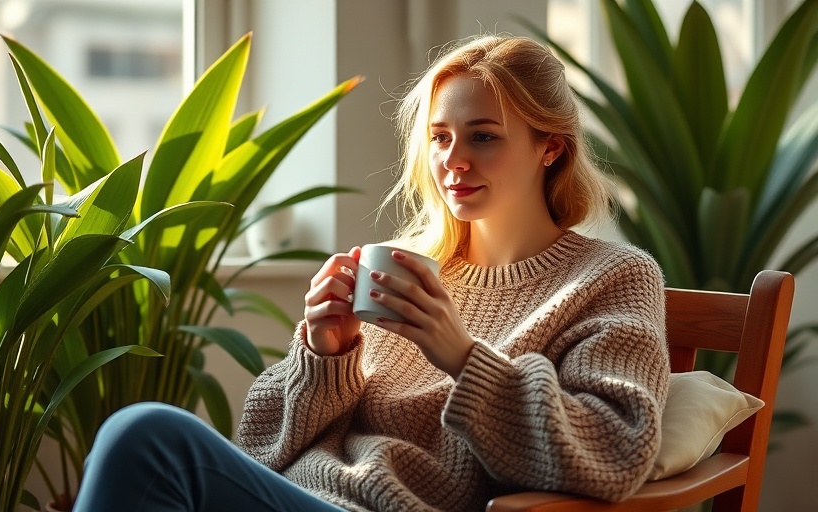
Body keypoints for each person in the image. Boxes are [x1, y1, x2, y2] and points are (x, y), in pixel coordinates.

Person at [73, 35, 669, 512]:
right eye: (439, 138)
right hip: (303, 492)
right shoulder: (405, 266)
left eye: (484, 137)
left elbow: (617, 450)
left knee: (145, 435)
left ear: (552, 149)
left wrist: (462, 356)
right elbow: (257, 448)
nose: (453, 161)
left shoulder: (611, 277)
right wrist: (325, 357)